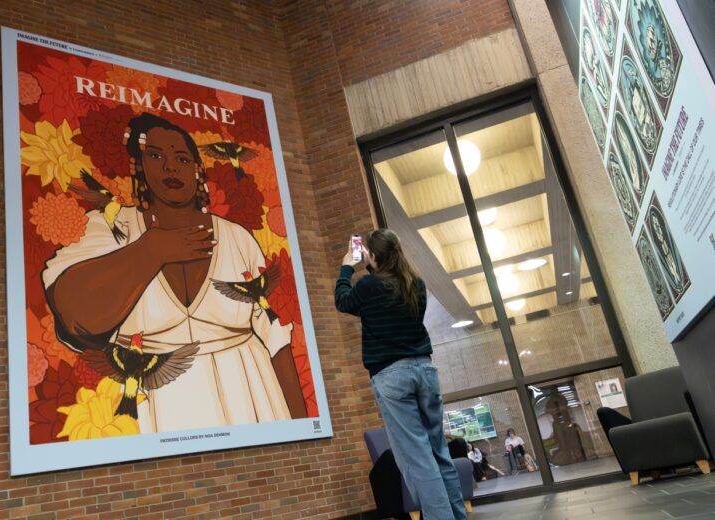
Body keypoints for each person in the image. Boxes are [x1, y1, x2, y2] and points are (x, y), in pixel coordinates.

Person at [44, 112, 307, 434]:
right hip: (166, 409)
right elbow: (75, 316)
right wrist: (150, 251)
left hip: (251, 396)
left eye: (182, 158)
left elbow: (275, 338)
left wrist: (305, 428)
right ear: (139, 166)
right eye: (156, 156)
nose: (170, 167)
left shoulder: (236, 237)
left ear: (198, 171)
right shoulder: (115, 228)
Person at [335, 229, 466, 520]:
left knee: (419, 461)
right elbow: (388, 301)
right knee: (439, 452)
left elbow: (343, 300)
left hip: (393, 376)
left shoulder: (368, 286)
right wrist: (373, 266)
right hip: (424, 371)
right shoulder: (414, 284)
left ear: (375, 255)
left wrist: (348, 264)